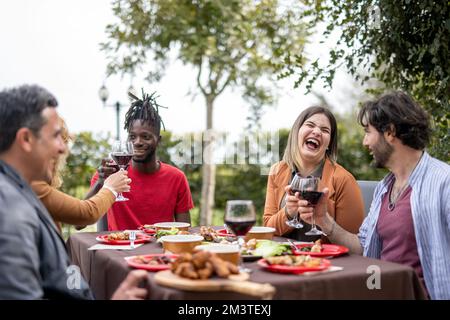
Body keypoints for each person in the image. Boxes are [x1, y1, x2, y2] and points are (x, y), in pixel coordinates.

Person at [0, 84, 148, 299]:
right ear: (26, 139)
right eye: (56, 137)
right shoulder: (10, 211)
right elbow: (83, 214)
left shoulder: (17, 190)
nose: (62, 148)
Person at [299, 91, 450, 299]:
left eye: (368, 132)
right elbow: (362, 246)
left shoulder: (444, 182)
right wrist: (323, 220)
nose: (365, 142)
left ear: (389, 132)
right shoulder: (384, 188)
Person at [86, 91, 194, 230]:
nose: (137, 142)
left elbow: (184, 233)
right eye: (132, 137)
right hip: (119, 250)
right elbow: (79, 224)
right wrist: (100, 183)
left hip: (160, 251)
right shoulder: (109, 174)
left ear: (158, 141)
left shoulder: (177, 178)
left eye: (145, 136)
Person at [263, 106, 364, 241]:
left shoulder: (343, 179)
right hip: (283, 259)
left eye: (325, 130)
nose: (317, 132)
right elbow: (267, 229)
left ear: (329, 143)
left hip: (326, 261)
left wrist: (324, 221)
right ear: (296, 132)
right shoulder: (277, 171)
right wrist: (288, 213)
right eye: (310, 125)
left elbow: (356, 244)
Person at [31, 117, 131, 231]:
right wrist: (111, 188)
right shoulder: (33, 187)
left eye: (63, 141)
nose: (63, 149)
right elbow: (85, 214)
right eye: (56, 140)